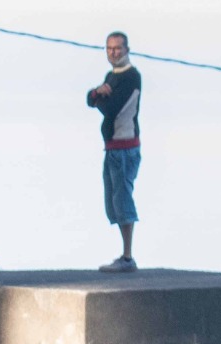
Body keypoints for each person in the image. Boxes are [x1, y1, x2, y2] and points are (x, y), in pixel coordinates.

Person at [86, 31, 143, 273]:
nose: (114, 52)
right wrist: (97, 93)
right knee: (113, 202)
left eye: (118, 48)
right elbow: (90, 99)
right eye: (110, 48)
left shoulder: (131, 77)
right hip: (112, 147)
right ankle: (125, 256)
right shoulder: (111, 76)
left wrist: (98, 95)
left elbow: (112, 109)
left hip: (125, 148)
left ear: (127, 49)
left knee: (122, 200)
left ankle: (127, 257)